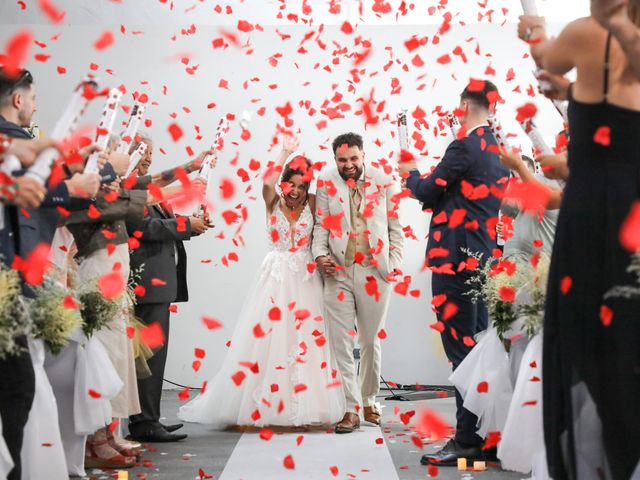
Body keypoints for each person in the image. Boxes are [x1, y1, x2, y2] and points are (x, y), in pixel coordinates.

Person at [519, 4, 640, 478]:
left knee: (591, 341)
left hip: (592, 216)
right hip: (623, 212)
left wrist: (539, 33)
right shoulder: (601, 38)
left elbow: (546, 60)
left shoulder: (588, 34)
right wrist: (572, 91)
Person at [179, 135, 345, 428]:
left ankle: (305, 406)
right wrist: (285, 151)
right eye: (290, 184)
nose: (294, 191)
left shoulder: (315, 202)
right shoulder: (273, 200)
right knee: (268, 337)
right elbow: (267, 183)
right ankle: (260, 404)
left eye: (301, 185)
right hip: (276, 276)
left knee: (304, 337)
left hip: (306, 277)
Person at [399, 80, 509, 465]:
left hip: (454, 262)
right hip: (481, 259)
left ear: (464, 103)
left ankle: (466, 442)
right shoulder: (496, 149)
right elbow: (459, 196)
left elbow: (428, 191)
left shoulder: (464, 145)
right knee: (480, 352)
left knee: (462, 353)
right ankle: (484, 436)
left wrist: (410, 173)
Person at [312, 132, 404, 434]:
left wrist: (394, 265)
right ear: (334, 159)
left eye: (353, 158)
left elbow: (395, 229)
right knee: (341, 343)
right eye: (342, 160)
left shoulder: (383, 180)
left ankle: (368, 400)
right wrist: (319, 255)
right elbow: (320, 226)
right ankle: (350, 409)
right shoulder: (326, 182)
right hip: (337, 272)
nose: (348, 164)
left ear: (362, 155)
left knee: (369, 340)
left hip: (375, 272)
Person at [126, 134, 211, 442]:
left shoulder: (144, 187)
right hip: (146, 283)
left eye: (149, 152)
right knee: (148, 357)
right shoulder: (126, 189)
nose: (147, 158)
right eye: (140, 152)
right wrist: (187, 226)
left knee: (154, 356)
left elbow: (159, 220)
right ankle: (144, 422)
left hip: (157, 284)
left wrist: (191, 223)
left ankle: (149, 418)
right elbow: (142, 228)